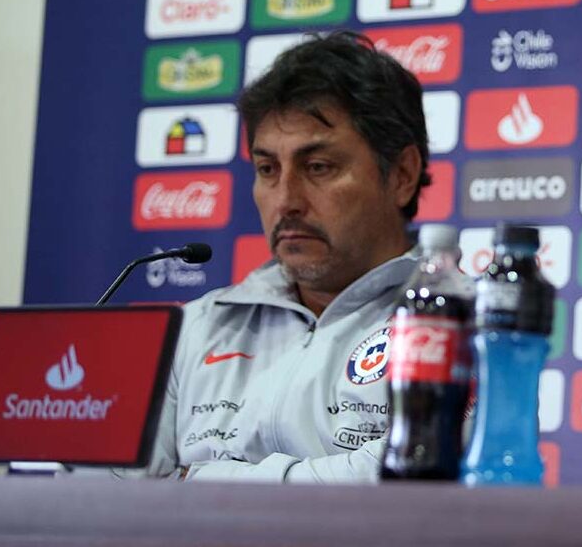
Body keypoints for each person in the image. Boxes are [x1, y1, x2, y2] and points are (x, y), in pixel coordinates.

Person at [145, 31, 431, 482]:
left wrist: (196, 481)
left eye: (318, 167)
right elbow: (120, 495)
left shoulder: (461, 322)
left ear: (401, 174)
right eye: (267, 170)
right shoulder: (197, 327)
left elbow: (407, 478)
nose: (286, 200)